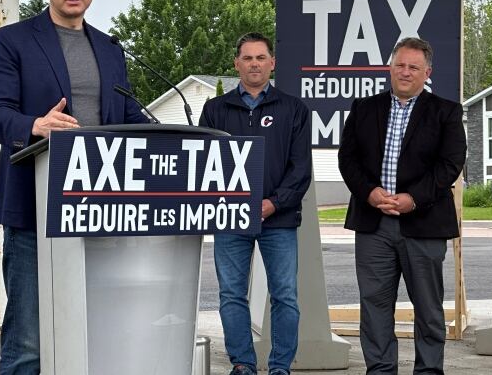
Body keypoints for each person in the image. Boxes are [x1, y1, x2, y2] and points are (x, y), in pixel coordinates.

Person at [0, 0, 147, 373]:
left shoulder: (110, 48)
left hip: (103, 209)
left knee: (99, 333)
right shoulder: (11, 41)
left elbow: (127, 113)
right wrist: (35, 124)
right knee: (29, 341)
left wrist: (179, 136)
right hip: (36, 212)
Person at [338, 37, 466, 374]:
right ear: (389, 68)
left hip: (424, 224)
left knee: (428, 309)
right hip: (372, 224)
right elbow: (347, 159)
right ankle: (380, 370)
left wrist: (414, 198)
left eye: (413, 67)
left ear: (427, 73)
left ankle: (428, 371)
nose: (405, 72)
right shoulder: (364, 109)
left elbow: (450, 164)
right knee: (375, 306)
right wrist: (369, 192)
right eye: (400, 65)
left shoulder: (446, 112)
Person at [199, 32, 312, 375]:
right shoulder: (215, 110)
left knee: (285, 296)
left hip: (278, 218)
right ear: (236, 64)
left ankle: (280, 367)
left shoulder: (294, 108)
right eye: (247, 58)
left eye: (260, 58)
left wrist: (273, 203)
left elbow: (300, 169)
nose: (254, 64)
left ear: (272, 63)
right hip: (230, 218)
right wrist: (229, 202)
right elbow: (204, 163)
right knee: (232, 294)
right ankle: (243, 364)